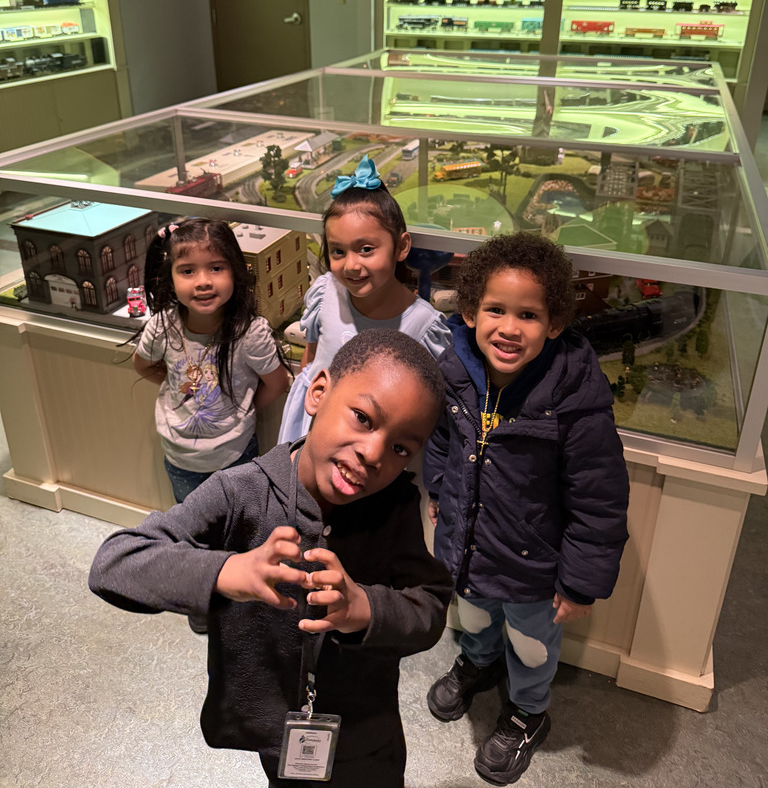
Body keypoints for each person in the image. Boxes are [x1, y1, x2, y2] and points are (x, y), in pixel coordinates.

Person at [89, 328, 453, 788]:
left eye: (401, 448)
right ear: (318, 393)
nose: (373, 453)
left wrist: (364, 608)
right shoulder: (239, 492)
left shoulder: (395, 505)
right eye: (362, 417)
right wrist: (224, 571)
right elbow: (114, 563)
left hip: (367, 732)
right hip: (277, 736)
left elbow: (431, 606)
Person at [423, 232, 629, 787]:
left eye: (529, 315)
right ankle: (478, 661)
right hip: (467, 540)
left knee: (532, 645)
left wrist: (581, 582)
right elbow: (442, 437)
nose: (509, 328)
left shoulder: (574, 394)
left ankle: (527, 711)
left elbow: (599, 495)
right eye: (495, 309)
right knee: (473, 615)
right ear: (470, 311)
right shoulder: (456, 370)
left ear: (555, 323)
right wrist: (439, 490)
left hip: (535, 566)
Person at [278, 155, 451, 444]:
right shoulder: (326, 292)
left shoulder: (424, 326)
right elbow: (311, 357)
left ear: (401, 246)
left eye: (366, 249)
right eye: (338, 251)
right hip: (310, 427)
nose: (351, 265)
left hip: (372, 445)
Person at [134, 217, 291, 504]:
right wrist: (177, 384)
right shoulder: (161, 327)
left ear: (236, 272)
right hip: (180, 459)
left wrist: (240, 404)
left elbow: (278, 382)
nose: (204, 281)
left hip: (236, 454)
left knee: (243, 524)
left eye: (216, 268)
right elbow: (142, 363)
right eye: (187, 271)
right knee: (194, 530)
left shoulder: (250, 332)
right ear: (170, 278)